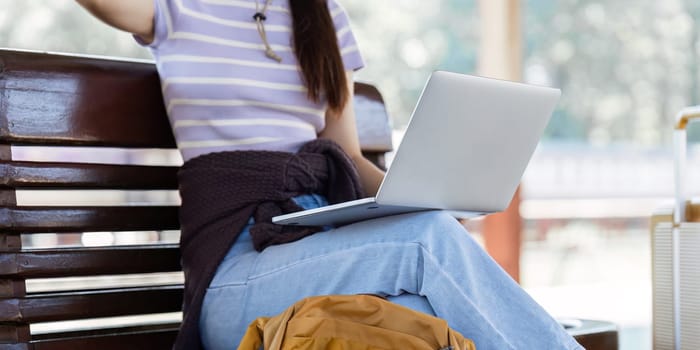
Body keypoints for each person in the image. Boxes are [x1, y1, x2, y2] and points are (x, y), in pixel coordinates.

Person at [75, 1, 583, 349]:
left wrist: (430, 193)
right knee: (425, 243)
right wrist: (426, 229)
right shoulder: (175, 8)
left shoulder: (321, 15)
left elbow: (348, 157)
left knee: (418, 309)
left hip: (316, 245)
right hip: (233, 279)